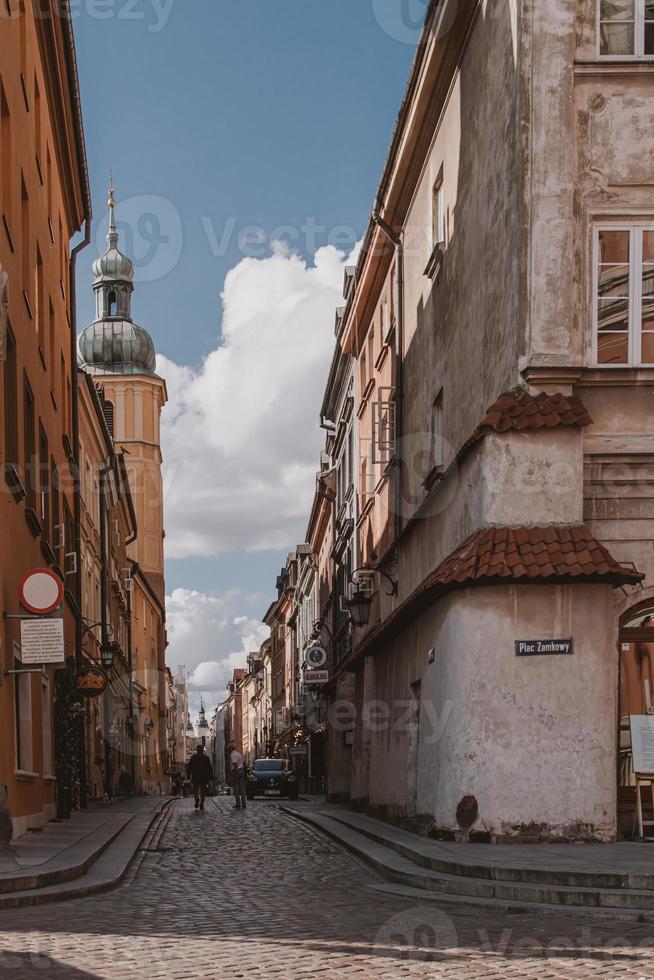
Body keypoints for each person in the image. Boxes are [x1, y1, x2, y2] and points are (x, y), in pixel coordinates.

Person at [186, 745, 213, 810]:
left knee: (195, 789)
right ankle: (202, 803)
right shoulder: (206, 758)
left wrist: (188, 775)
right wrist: (211, 777)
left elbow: (189, 767)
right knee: (203, 790)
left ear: (197, 750)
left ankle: (196, 798)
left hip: (195, 776)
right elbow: (209, 768)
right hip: (204, 776)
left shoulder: (193, 758)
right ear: (202, 750)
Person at [229, 743, 247, 810]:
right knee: (242, 789)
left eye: (229, 749)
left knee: (236, 789)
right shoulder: (238, 754)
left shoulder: (232, 755)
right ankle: (244, 804)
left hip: (236, 772)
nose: (228, 750)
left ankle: (238, 804)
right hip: (241, 771)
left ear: (231, 749)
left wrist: (235, 775)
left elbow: (235, 764)